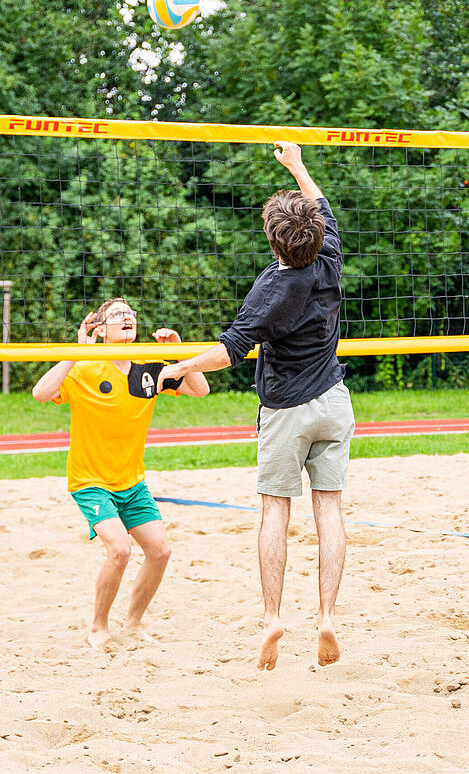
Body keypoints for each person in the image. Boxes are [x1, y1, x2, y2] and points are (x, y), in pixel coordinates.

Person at [160, 141, 355, 670]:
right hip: (334, 401)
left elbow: (229, 350)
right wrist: (297, 165)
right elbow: (322, 206)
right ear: (316, 232)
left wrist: (178, 367)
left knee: (275, 511)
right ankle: (327, 616)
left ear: (273, 239)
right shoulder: (330, 258)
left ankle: (273, 618)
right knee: (330, 509)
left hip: (287, 410)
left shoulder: (271, 287)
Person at [32, 298, 209, 651]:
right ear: (100, 329)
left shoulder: (149, 367)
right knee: (120, 550)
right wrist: (77, 351)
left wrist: (179, 352)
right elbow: (41, 393)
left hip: (132, 482)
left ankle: (133, 623)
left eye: (130, 313)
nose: (127, 318)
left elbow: (199, 389)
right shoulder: (84, 368)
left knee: (160, 551)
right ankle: (98, 628)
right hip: (90, 481)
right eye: (117, 314)